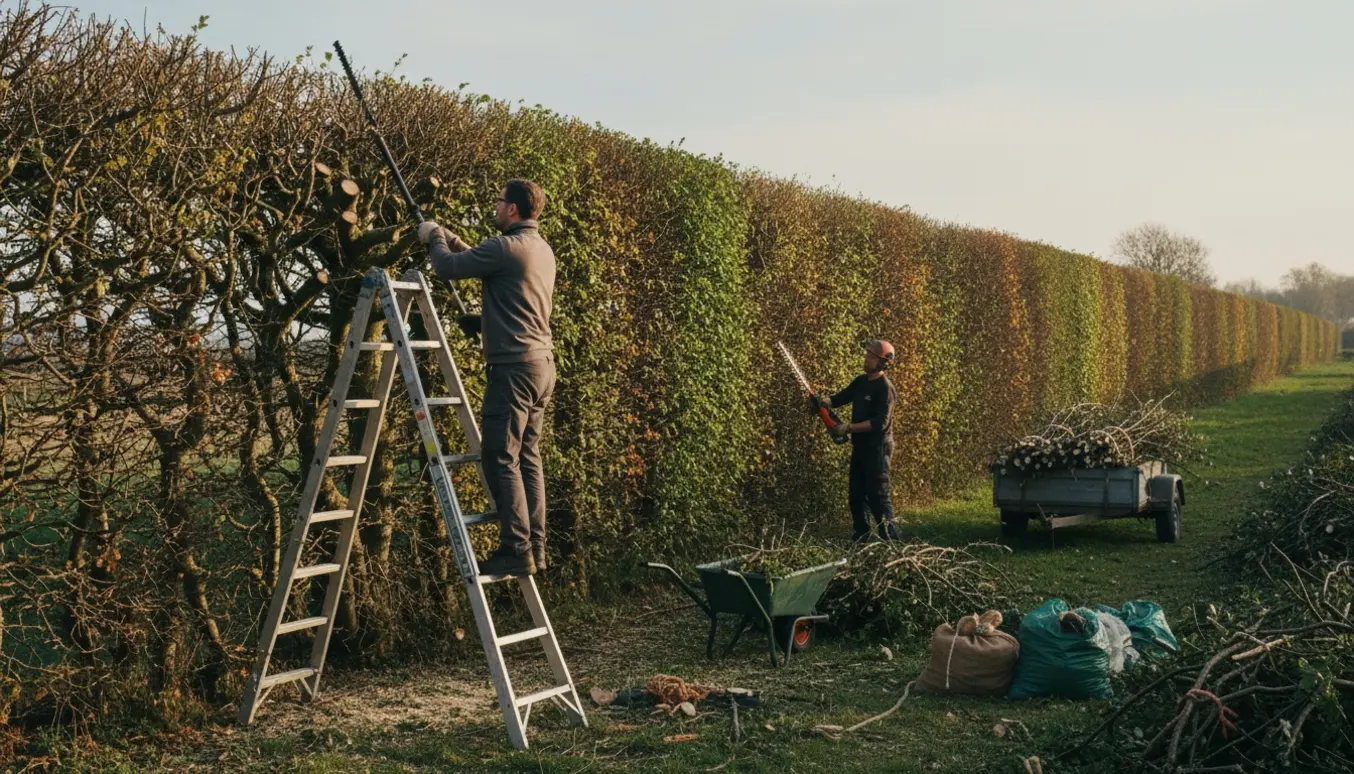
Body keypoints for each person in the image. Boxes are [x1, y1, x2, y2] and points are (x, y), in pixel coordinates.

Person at [417, 179, 555, 577]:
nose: (494, 207)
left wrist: (432, 237)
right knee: (528, 457)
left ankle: (515, 549)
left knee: (501, 456)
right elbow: (521, 299)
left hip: (513, 371)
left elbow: (446, 267)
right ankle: (536, 548)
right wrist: (485, 321)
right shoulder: (539, 250)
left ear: (512, 209)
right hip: (541, 365)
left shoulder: (506, 248)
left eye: (498, 202)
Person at [811, 340, 900, 543]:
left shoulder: (885, 389)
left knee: (878, 496)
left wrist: (849, 427)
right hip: (860, 447)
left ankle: (891, 541)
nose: (866, 359)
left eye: (870, 357)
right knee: (856, 495)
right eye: (867, 355)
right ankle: (862, 538)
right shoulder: (861, 382)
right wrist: (825, 402)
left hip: (878, 448)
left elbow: (880, 423)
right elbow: (843, 397)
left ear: (882, 363)